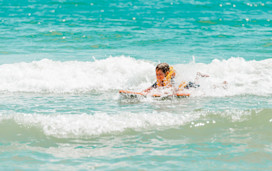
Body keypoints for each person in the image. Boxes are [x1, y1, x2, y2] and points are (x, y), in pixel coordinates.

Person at [144, 63, 209, 93]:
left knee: (197, 86)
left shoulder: (171, 80)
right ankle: (198, 75)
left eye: (160, 74)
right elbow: (150, 88)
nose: (158, 76)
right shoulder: (159, 80)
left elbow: (174, 89)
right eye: (157, 74)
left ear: (166, 73)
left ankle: (198, 75)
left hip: (187, 85)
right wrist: (143, 92)